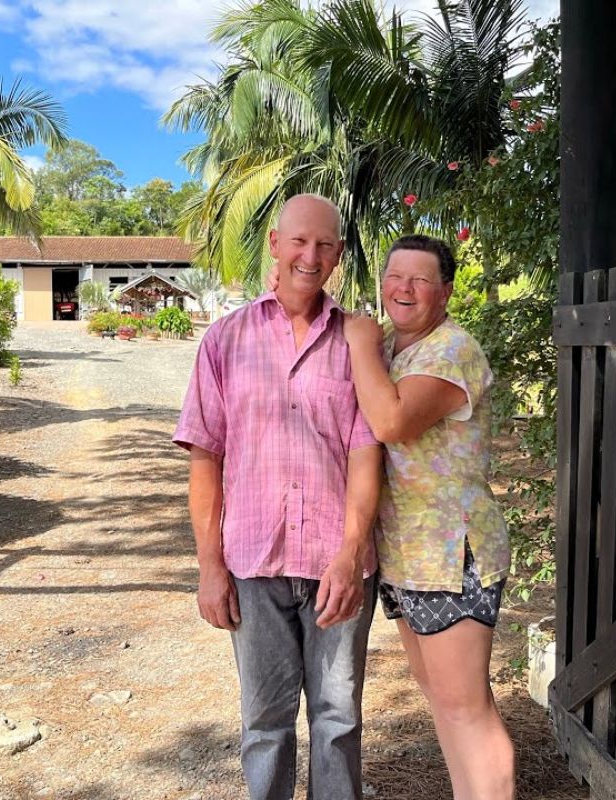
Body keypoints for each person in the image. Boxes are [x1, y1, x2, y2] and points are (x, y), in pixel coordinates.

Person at [173, 194, 383, 800]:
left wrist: (351, 552)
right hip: (253, 564)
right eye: (298, 241)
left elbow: (366, 453)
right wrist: (210, 566)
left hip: (335, 567)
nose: (309, 256)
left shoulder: (357, 342)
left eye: (323, 245)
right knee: (264, 723)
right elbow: (206, 459)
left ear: (339, 253)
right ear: (273, 243)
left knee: (338, 720)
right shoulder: (224, 340)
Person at [343, 234, 515, 800]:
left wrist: (360, 339)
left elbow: (391, 421)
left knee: (467, 708)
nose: (404, 288)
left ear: (445, 290)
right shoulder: (396, 348)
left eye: (420, 279)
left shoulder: (451, 348)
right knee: (443, 700)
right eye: (395, 276)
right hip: (409, 555)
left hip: (451, 553)